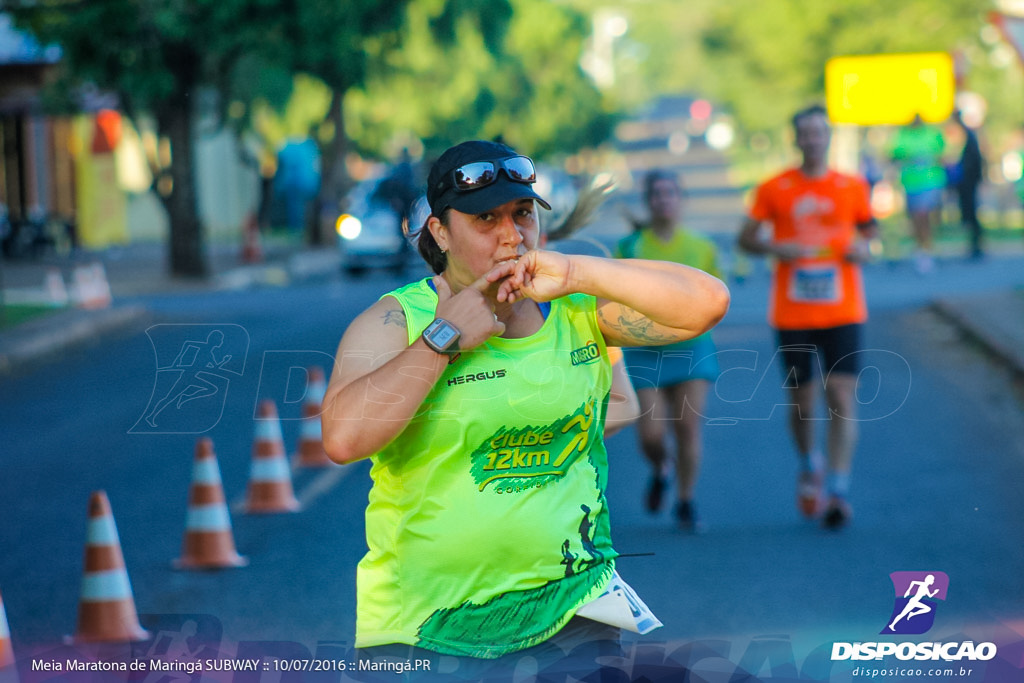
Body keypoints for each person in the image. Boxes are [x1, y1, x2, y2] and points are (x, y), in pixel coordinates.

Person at [321, 139, 729, 672]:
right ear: (440, 232)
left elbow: (707, 303)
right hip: (423, 626)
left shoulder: (577, 308)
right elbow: (342, 438)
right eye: (484, 219)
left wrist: (579, 274)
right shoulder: (397, 320)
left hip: (575, 611)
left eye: (523, 213)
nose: (511, 235)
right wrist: (443, 338)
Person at [737, 105, 877, 531]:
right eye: (806, 133)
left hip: (843, 309)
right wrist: (776, 249)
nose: (813, 139)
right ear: (796, 139)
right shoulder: (774, 188)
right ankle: (808, 462)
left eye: (820, 132)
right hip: (792, 312)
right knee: (803, 403)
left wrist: (864, 249)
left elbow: (870, 231)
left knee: (841, 396)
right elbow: (745, 239)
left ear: (828, 137)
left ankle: (838, 488)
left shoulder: (852, 186)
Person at [614, 170, 722, 532]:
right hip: (645, 350)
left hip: (691, 349)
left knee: (688, 427)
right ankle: (662, 466)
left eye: (670, 193)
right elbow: (612, 296)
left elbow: (716, 299)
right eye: (656, 194)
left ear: (681, 200)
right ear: (649, 201)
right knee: (651, 435)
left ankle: (686, 500)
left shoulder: (701, 247)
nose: (664, 200)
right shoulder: (630, 248)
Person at [890, 114, 946, 273]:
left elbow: (942, 156)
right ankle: (921, 249)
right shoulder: (902, 135)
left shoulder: (932, 134)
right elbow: (893, 156)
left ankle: (926, 249)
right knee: (915, 218)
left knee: (924, 215)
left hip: (930, 183)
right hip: (911, 184)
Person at [951, 110, 986, 259]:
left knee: (971, 213)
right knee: (968, 213)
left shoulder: (967, 136)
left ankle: (976, 245)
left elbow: (974, 161)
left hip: (968, 182)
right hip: (965, 182)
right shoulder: (964, 136)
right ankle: (974, 244)